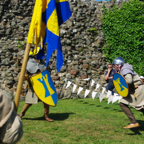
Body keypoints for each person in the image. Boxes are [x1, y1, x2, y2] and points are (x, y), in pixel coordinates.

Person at [18, 53, 53, 122]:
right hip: (33, 85)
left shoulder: (43, 64)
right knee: (29, 102)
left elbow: (47, 74)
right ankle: (21, 114)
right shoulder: (29, 63)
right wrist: (27, 76)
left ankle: (46, 116)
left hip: (43, 85)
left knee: (46, 102)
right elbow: (21, 67)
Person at [113, 57, 144, 129]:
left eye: (115, 65)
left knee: (122, 103)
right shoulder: (124, 69)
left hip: (138, 89)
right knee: (140, 108)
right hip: (136, 90)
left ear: (118, 65)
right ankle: (133, 122)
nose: (114, 67)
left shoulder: (125, 69)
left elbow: (129, 81)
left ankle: (133, 122)